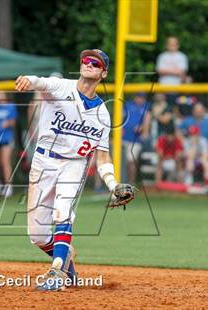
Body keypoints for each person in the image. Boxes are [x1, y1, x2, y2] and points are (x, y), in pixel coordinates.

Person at [15, 49, 131, 291]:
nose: (88, 64)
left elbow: (102, 156)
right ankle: (66, 264)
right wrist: (28, 79)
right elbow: (40, 81)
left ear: (103, 73)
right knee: (36, 235)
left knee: (63, 211)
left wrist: (113, 185)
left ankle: (57, 270)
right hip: (43, 162)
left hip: (74, 164)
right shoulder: (61, 87)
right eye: (85, 60)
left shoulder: (102, 115)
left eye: (95, 63)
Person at [0, 92, 18, 197]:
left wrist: (7, 123)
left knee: (5, 162)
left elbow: (13, 122)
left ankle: (8, 186)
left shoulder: (10, 106)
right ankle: (0, 183)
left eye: (1, 95)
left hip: (7, 139)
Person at [122, 93, 151, 184]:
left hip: (136, 140)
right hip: (123, 138)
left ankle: (131, 183)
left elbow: (147, 121)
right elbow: (120, 117)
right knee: (121, 161)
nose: (140, 99)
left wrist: (142, 128)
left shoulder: (146, 107)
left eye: (142, 97)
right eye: (138, 97)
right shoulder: (128, 105)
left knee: (131, 161)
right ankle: (120, 181)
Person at [156, 37, 189, 105]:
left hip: (178, 89)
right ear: (166, 45)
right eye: (170, 44)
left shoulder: (182, 56)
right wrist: (175, 71)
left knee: (176, 109)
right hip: (163, 89)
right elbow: (160, 71)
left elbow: (182, 72)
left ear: (178, 45)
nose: (172, 46)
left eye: (174, 44)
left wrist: (167, 71)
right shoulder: (162, 56)